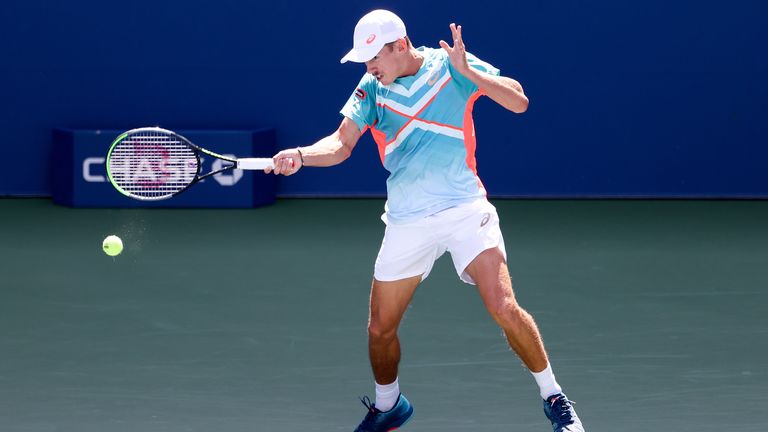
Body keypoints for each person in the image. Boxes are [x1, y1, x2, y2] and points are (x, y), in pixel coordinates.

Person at [266, 9, 584, 432]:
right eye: (364, 61)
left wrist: (470, 72)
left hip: (464, 208)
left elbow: (519, 101)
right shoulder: (372, 90)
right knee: (380, 329)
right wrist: (302, 155)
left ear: (400, 46)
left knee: (504, 306)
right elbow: (341, 144)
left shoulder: (450, 66)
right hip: (407, 220)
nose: (369, 68)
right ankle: (388, 406)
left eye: (373, 57)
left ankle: (554, 396)